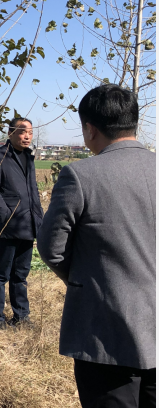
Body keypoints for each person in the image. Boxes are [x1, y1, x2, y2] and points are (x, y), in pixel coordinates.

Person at [37, 84, 155, 407]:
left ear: (90, 129)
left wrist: (88, 277)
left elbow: (51, 248)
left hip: (106, 333)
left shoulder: (80, 175)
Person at [0, 117, 43, 329]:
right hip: (8, 226)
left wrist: (39, 218)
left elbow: (32, 192)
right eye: (22, 131)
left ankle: (21, 317)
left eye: (30, 132)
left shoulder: (29, 157)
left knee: (20, 275)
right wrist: (6, 214)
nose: (27, 136)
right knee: (1, 274)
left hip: (28, 226)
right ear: (11, 133)